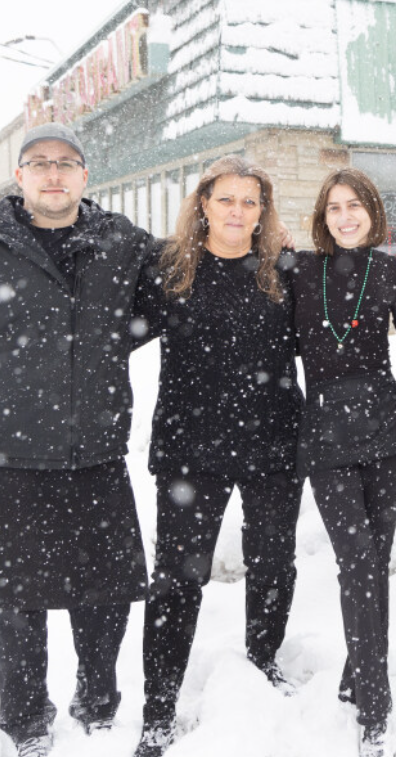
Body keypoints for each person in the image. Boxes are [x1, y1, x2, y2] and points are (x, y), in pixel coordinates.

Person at [0, 122, 152, 757]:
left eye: (67, 163)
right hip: (11, 457)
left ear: (85, 176)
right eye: (40, 163)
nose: (54, 173)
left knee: (104, 595)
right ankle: (24, 720)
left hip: (97, 454)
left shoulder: (122, 243)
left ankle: (98, 701)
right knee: (16, 605)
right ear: (19, 177)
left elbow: (179, 285)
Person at [130, 156, 304, 757]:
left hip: (274, 444)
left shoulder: (285, 271)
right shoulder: (170, 270)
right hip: (190, 449)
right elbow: (111, 337)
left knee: (274, 566)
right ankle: (159, 707)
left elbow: (336, 336)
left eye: (249, 202)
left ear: (263, 212)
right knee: (177, 581)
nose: (237, 211)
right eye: (226, 199)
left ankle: (263, 661)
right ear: (203, 203)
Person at [292, 167, 396, 757]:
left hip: (388, 437)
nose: (346, 217)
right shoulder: (297, 272)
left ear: (373, 213)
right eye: (335, 208)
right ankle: (376, 707)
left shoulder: (393, 271)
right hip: (325, 436)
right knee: (357, 560)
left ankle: (361, 674)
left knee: (369, 560)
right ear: (323, 217)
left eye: (356, 207)